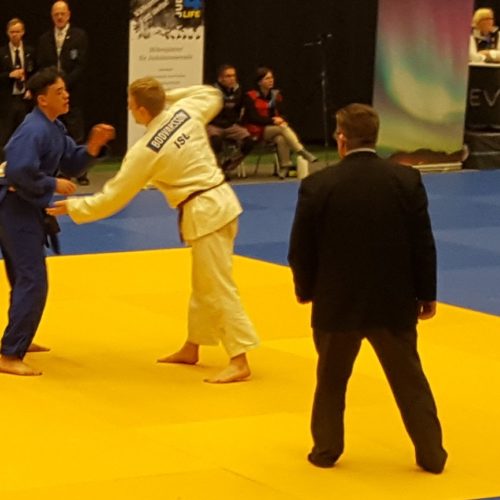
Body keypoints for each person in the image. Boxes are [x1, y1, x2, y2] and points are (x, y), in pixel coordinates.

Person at [47, 77, 259, 383]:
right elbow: (210, 94)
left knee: (217, 285)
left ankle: (239, 358)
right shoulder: (186, 111)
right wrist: (167, 96)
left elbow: (114, 197)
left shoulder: (146, 151)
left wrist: (77, 206)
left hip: (207, 212)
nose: (129, 108)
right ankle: (193, 346)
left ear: (142, 110)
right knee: (205, 283)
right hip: (218, 204)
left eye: (131, 104)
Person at [288, 103, 447, 473]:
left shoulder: (318, 185)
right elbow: (422, 243)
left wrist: (305, 288)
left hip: (336, 302)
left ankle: (326, 450)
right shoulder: (406, 180)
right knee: (410, 381)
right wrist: (427, 294)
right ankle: (432, 455)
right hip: (393, 301)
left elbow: (301, 248)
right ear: (375, 137)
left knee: (331, 381)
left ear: (341, 139)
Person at [0, 67, 114, 376]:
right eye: (59, 91)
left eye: (66, 90)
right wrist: (52, 184)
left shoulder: (53, 126)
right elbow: (18, 170)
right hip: (14, 208)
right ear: (42, 99)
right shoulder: (33, 129)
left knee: (23, 277)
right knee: (33, 280)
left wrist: (92, 147)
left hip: (22, 207)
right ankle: (10, 354)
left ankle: (18, 338)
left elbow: (72, 162)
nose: (66, 95)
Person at [37, 0, 90, 185]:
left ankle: (81, 172)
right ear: (52, 17)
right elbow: (42, 66)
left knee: (76, 131)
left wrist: (64, 84)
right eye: (56, 14)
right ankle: (62, 171)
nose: (59, 17)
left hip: (73, 91)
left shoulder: (79, 36)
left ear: (68, 15)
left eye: (62, 13)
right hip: (52, 94)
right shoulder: (44, 39)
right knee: (57, 131)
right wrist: (54, 86)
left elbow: (81, 65)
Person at [243, 66, 317, 176]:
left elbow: (283, 114)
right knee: (282, 128)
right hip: (255, 130)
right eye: (267, 78)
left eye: (271, 78)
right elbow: (253, 118)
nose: (271, 80)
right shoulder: (250, 96)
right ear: (259, 82)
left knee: (281, 138)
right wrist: (273, 121)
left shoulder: (275, 95)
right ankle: (301, 150)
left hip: (273, 130)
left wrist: (281, 119)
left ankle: (285, 167)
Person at [207, 64, 254, 173]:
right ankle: (216, 168)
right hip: (214, 125)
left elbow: (243, 108)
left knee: (249, 142)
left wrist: (240, 123)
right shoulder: (212, 91)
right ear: (220, 78)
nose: (232, 78)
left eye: (233, 76)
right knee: (216, 142)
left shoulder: (238, 90)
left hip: (231, 125)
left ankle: (229, 164)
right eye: (228, 76)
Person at [0, 18, 36, 153]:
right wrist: (9, 75)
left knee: (25, 133)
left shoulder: (30, 52)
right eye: (12, 32)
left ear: (23, 32)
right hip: (7, 100)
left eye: (17, 31)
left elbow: (36, 73)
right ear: (7, 33)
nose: (15, 35)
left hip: (25, 99)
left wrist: (30, 88)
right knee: (5, 135)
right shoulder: (2, 53)